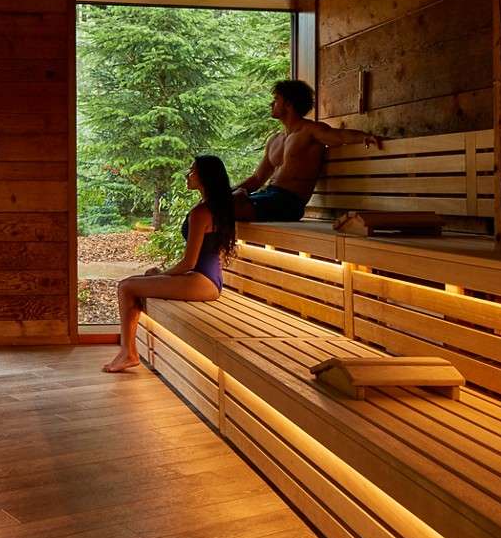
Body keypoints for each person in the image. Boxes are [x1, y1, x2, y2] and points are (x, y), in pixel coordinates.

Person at [103, 155, 236, 373]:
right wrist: (159, 274)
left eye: (192, 171)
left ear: (204, 177)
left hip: (201, 281)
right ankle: (128, 352)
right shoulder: (215, 207)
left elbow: (188, 262)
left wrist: (164, 273)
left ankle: (128, 353)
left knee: (126, 287)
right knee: (143, 276)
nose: (188, 175)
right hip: (206, 279)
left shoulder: (201, 213)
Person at [233, 79, 382, 222]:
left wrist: (365, 136)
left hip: (289, 203)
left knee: (226, 210)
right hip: (267, 195)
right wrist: (227, 191)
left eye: (276, 99)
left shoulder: (310, 131)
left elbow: (339, 136)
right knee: (220, 205)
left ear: (288, 104)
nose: (271, 103)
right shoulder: (275, 140)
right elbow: (257, 179)